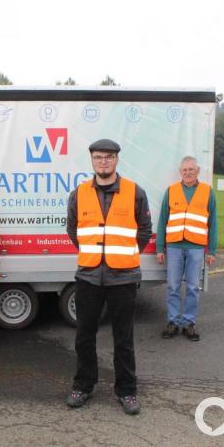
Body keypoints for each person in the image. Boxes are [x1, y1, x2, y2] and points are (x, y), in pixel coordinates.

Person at [65, 139, 152, 416]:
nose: (104, 161)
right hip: (89, 276)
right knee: (84, 336)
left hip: (123, 277)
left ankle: (127, 391)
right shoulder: (78, 194)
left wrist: (123, 256)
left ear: (116, 160)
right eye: (99, 157)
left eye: (109, 157)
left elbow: (144, 230)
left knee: (123, 339)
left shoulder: (135, 192)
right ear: (92, 160)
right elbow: (73, 230)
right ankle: (83, 386)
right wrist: (95, 255)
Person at [156, 156, 217, 342]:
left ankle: (189, 323)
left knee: (192, 287)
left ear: (197, 171)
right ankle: (173, 322)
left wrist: (212, 250)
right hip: (174, 247)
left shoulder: (208, 192)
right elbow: (162, 220)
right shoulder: (171, 191)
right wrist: (160, 247)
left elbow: (213, 222)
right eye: (184, 170)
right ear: (180, 172)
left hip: (196, 248)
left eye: (191, 169)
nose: (188, 172)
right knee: (173, 286)